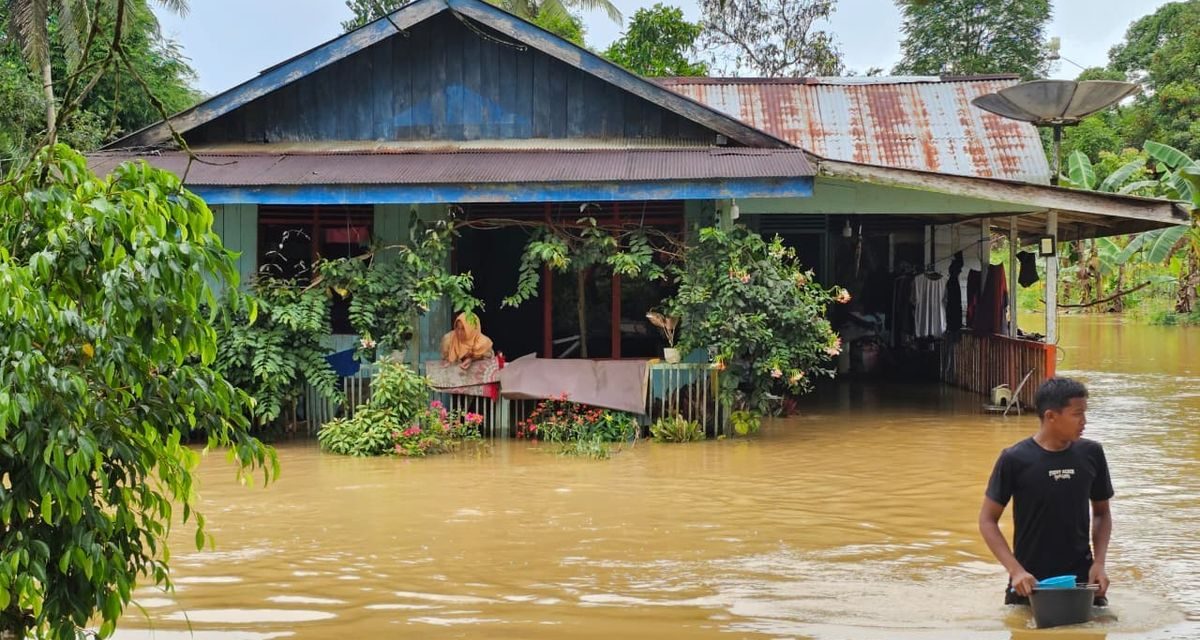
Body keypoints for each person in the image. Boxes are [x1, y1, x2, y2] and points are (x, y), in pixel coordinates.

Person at [978, 377, 1113, 607]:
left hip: (1081, 582)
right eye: (1077, 413)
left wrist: (1099, 564)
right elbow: (987, 521)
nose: (1084, 421)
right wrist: (1016, 571)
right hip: (1030, 583)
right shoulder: (1014, 459)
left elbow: (1101, 513)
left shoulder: (1092, 453)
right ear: (1051, 416)